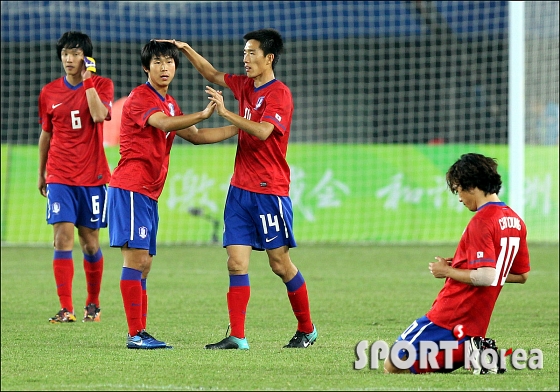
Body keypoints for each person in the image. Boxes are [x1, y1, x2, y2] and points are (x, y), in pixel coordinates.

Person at [161, 28, 317, 350]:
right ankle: (238, 336)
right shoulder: (244, 85)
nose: (245, 59)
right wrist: (187, 48)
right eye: (244, 53)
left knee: (279, 264)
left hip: (269, 191)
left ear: (268, 58)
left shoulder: (279, 94)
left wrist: (226, 112)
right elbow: (211, 73)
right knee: (235, 263)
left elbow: (262, 131)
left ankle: (307, 329)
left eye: (251, 53)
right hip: (239, 190)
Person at [107, 40, 218, 349]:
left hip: (148, 193)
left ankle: (140, 331)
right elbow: (165, 124)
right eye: (157, 62)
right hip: (131, 188)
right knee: (136, 259)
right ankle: (135, 335)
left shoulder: (169, 102)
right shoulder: (141, 98)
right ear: (146, 67)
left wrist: (242, 127)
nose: (164, 67)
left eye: (169, 62)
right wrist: (201, 114)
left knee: (145, 264)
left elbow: (196, 137)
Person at [384, 153, 530, 374]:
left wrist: (448, 271)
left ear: (471, 186)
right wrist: (465, 266)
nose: (459, 198)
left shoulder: (482, 221)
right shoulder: (515, 221)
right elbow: (521, 275)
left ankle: (471, 352)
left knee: (394, 363)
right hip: (475, 322)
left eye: (458, 189)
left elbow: (486, 276)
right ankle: (474, 351)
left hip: (452, 313)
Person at [38, 31, 114, 324]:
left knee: (91, 244)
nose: (69, 59)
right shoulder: (49, 92)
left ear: (86, 57)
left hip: (92, 176)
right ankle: (65, 307)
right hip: (59, 174)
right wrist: (41, 173)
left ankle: (92, 304)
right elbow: (46, 135)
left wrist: (88, 81)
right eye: (65, 54)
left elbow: (98, 115)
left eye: (75, 53)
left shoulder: (102, 85)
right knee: (62, 238)